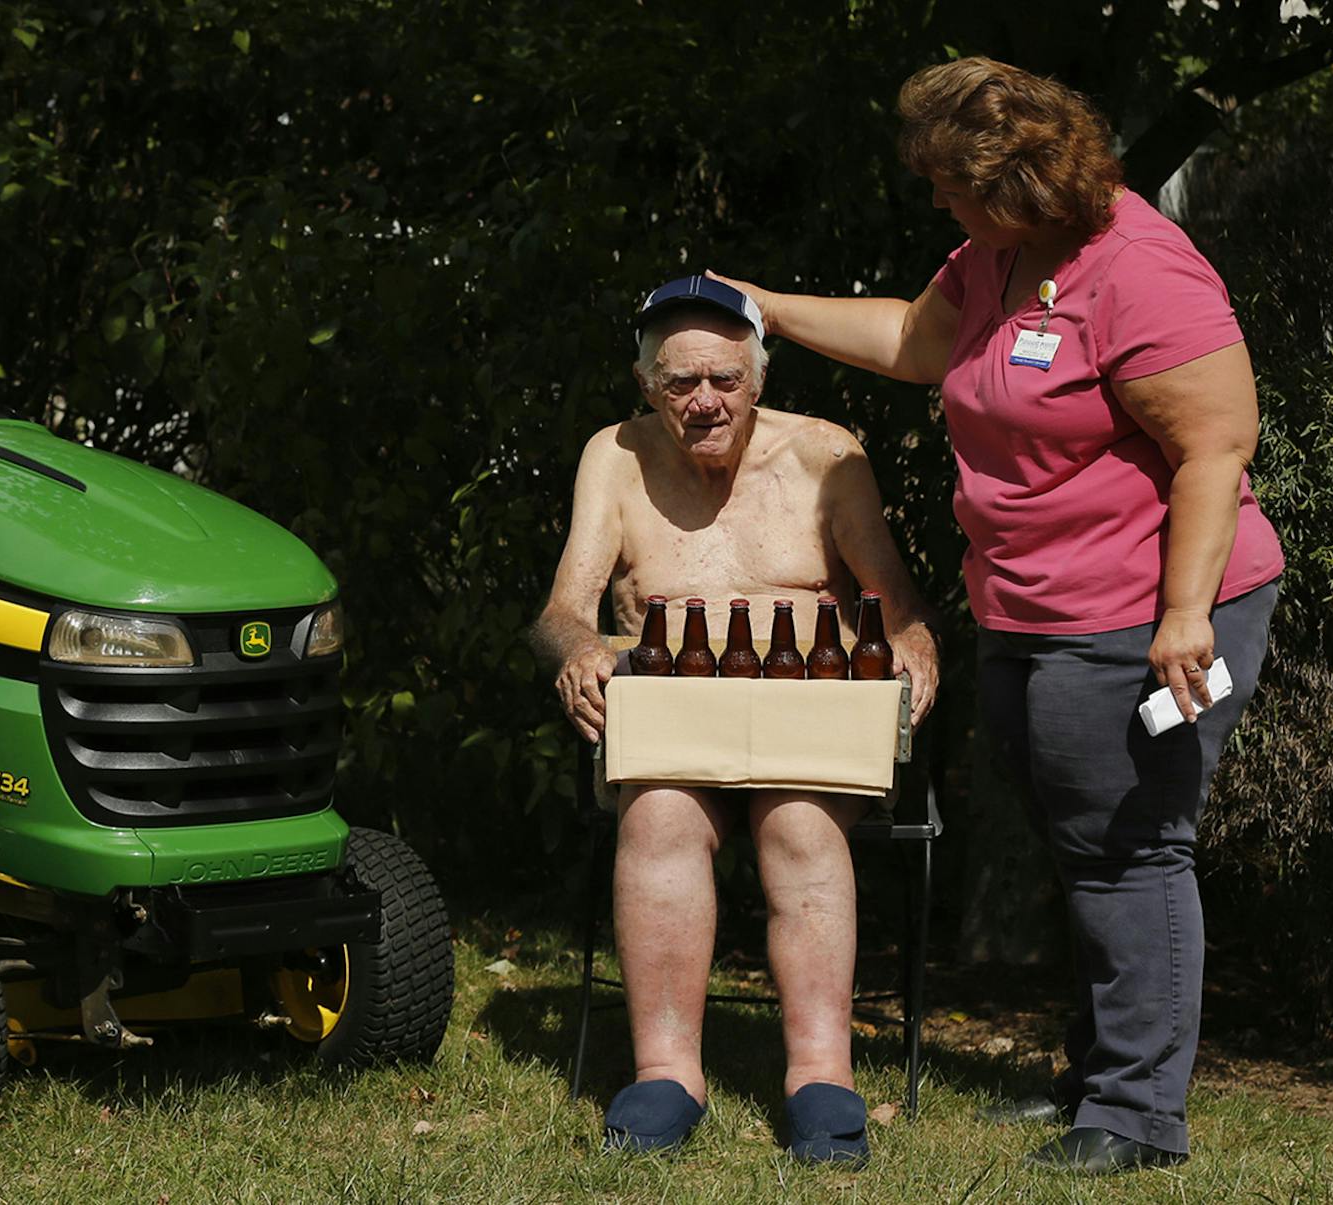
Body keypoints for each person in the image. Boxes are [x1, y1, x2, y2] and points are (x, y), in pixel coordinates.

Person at [711, 57, 1285, 1175]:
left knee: (1131, 849)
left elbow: (1216, 447)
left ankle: (1134, 1113)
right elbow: (917, 346)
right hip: (1028, 607)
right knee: (1083, 842)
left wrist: (1181, 614)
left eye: (948, 182)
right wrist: (763, 305)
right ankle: (1093, 1079)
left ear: (1018, 178)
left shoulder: (1143, 270)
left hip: (1143, 613)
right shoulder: (999, 254)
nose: (935, 201)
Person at [532, 275, 940, 1162]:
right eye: (680, 383)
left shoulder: (828, 454)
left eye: (722, 379)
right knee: (660, 817)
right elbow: (564, 608)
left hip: (810, 725)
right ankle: (666, 1072)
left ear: (758, 378)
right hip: (671, 722)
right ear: (648, 385)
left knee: (798, 825)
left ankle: (821, 1076)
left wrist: (917, 651)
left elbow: (898, 605)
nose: (704, 401)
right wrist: (576, 652)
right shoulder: (615, 456)